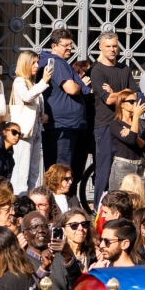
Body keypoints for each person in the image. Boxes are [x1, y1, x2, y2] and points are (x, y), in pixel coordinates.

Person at [90, 31, 138, 204]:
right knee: (104, 170)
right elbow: (109, 99)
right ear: (100, 47)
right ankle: (99, 209)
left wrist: (116, 93)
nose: (112, 49)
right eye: (108, 46)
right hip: (105, 126)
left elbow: (137, 94)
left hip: (125, 124)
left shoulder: (124, 69)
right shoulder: (97, 70)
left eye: (115, 46)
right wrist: (125, 93)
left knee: (127, 169)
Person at [39, 29, 90, 179]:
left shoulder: (55, 62)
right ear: (54, 46)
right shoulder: (57, 63)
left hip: (63, 125)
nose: (69, 48)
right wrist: (80, 85)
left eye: (70, 45)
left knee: (58, 170)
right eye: (65, 45)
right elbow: (71, 89)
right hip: (62, 126)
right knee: (61, 170)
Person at [9, 51, 52, 195]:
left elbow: (35, 106)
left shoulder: (32, 83)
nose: (37, 66)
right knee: (22, 169)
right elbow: (26, 97)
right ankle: (19, 198)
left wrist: (43, 115)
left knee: (34, 170)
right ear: (25, 64)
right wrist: (44, 82)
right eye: (33, 63)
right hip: (24, 131)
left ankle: (30, 197)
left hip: (36, 129)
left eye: (37, 62)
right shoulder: (19, 81)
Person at [106, 90, 145, 192]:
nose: (135, 104)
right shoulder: (116, 124)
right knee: (120, 197)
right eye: (131, 102)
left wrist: (135, 135)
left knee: (139, 198)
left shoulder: (140, 124)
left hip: (140, 166)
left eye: (136, 101)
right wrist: (136, 117)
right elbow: (130, 140)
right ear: (121, 104)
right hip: (123, 166)